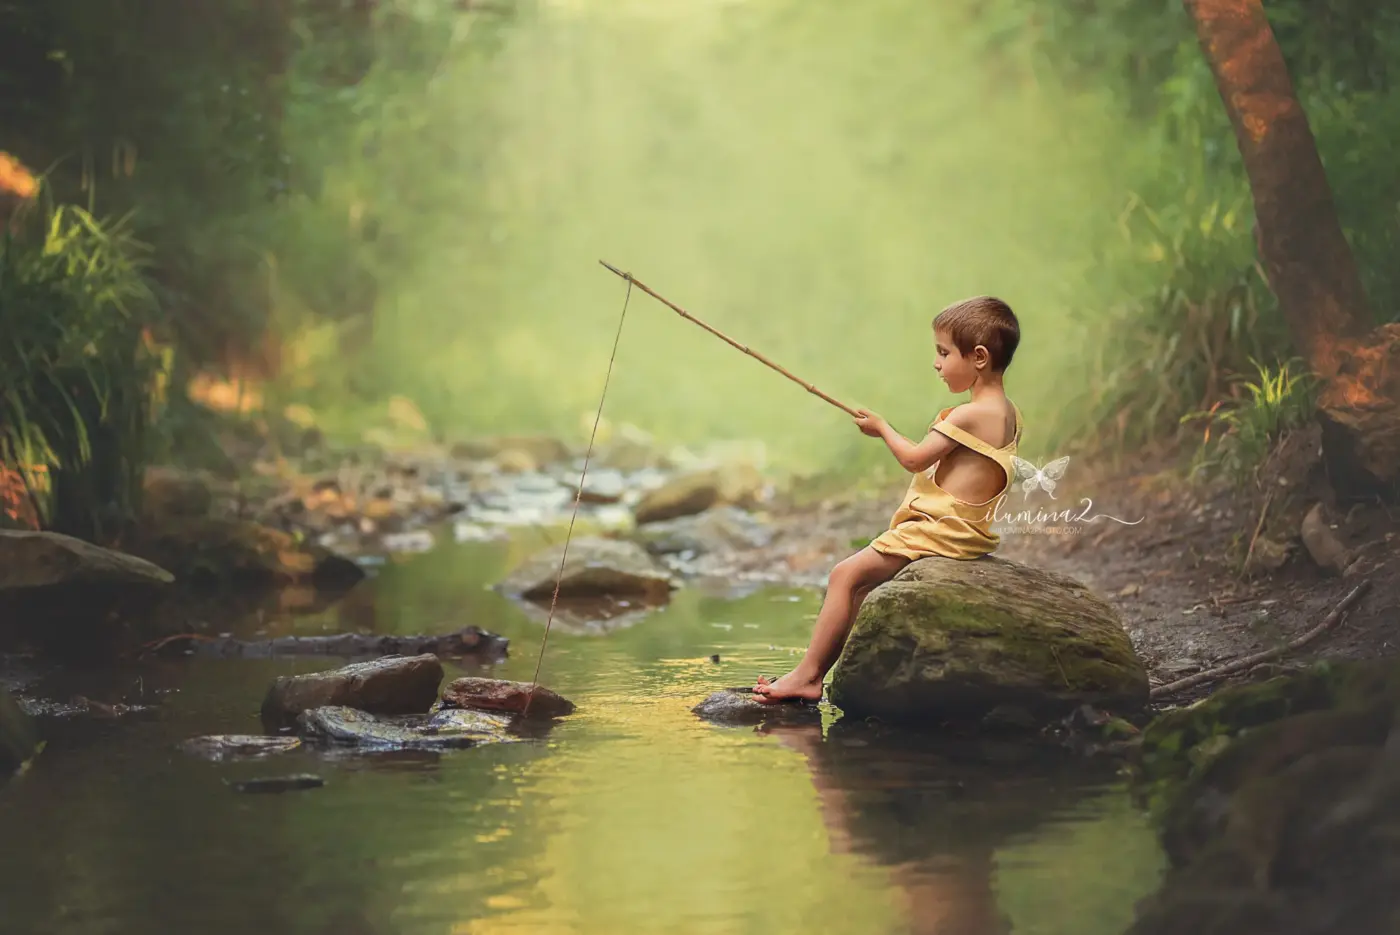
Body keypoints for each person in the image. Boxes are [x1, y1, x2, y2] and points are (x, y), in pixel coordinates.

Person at [753, 296, 1022, 704]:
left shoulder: (969, 416)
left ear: (979, 357)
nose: (936, 363)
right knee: (859, 588)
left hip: (942, 532)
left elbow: (914, 459)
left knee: (843, 575)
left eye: (943, 353)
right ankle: (828, 673)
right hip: (968, 531)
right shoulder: (1008, 412)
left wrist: (882, 428)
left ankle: (806, 677)